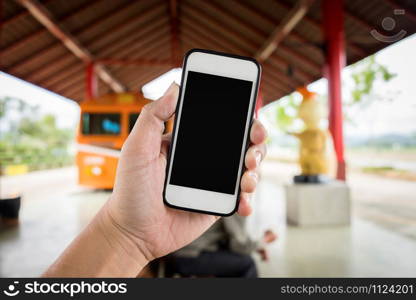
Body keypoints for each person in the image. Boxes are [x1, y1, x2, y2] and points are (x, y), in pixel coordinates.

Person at [43, 83, 267, 278]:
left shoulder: (175, 171)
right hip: (187, 259)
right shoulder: (231, 185)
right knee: (246, 264)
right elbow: (240, 243)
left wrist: (126, 236)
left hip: (169, 256)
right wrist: (260, 244)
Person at [167, 215, 277, 278]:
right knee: (247, 263)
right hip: (186, 258)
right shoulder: (234, 202)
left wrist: (257, 247)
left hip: (177, 251)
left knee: (232, 259)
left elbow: (237, 238)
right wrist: (265, 239)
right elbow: (240, 247)